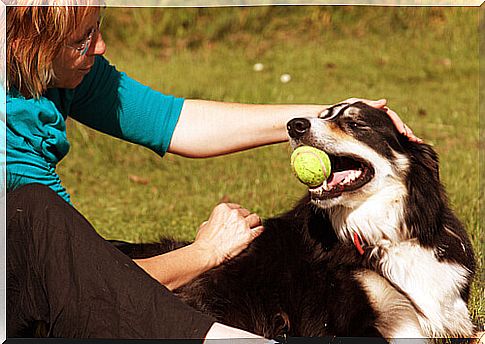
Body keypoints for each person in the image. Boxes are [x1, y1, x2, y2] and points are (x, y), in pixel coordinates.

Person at [5, 3, 421, 341]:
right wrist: (203, 253)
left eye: (98, 26)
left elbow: (173, 120)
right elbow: (76, 280)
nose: (100, 46)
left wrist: (323, 120)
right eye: (83, 39)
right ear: (26, 42)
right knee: (38, 213)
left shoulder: (55, 72)